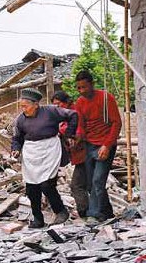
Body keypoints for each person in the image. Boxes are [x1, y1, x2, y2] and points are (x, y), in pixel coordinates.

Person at [11, 88, 78, 228]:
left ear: (36, 104)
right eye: (21, 106)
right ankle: (38, 219)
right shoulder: (20, 120)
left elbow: (73, 115)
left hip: (49, 149)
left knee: (47, 185)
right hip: (31, 152)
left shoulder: (51, 111)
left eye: (25, 106)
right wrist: (16, 149)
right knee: (31, 188)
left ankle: (61, 211)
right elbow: (17, 138)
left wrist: (69, 135)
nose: (23, 109)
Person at [74, 70, 122, 224]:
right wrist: (76, 137)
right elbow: (81, 126)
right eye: (79, 88)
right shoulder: (80, 102)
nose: (81, 91)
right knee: (91, 183)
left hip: (105, 144)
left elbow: (117, 123)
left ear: (92, 84)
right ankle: (107, 212)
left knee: (98, 180)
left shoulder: (106, 98)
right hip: (89, 144)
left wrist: (107, 146)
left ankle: (94, 214)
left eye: (84, 87)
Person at [51, 90, 89, 218]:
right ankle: (99, 212)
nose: (57, 108)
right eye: (55, 106)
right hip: (78, 156)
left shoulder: (75, 114)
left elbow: (79, 130)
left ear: (66, 102)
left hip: (85, 154)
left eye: (59, 104)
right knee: (89, 184)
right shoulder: (63, 118)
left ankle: (86, 213)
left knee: (77, 185)